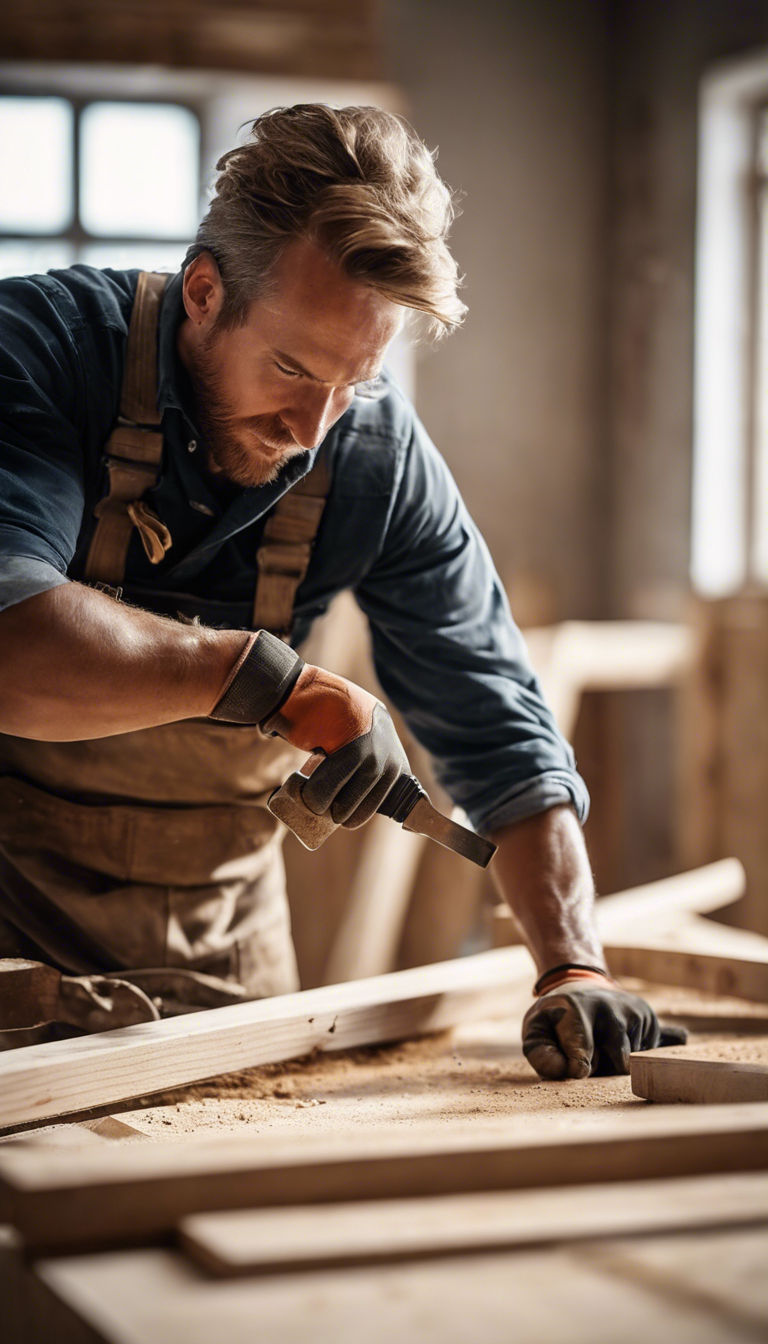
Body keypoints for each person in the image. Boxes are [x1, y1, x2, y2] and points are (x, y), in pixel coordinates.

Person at [0, 103, 683, 1073]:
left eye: (353, 381)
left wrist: (573, 965)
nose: (312, 429)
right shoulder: (40, 352)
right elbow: (10, 636)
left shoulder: (370, 457)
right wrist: (266, 682)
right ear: (204, 291)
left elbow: (498, 728)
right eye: (289, 366)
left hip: (218, 973)